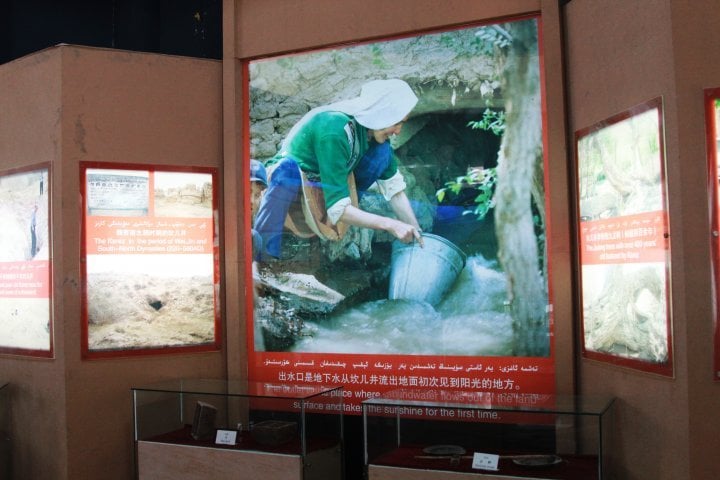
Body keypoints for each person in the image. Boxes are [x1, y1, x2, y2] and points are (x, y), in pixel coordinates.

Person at [253, 78, 424, 260]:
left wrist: (416, 230)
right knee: (286, 171)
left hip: (329, 182)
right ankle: (263, 255)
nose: (398, 131)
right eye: (396, 123)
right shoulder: (334, 128)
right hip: (296, 183)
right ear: (381, 115)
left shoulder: (373, 138)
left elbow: (394, 190)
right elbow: (337, 209)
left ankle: (351, 210)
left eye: (401, 124)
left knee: (383, 153)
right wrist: (391, 224)